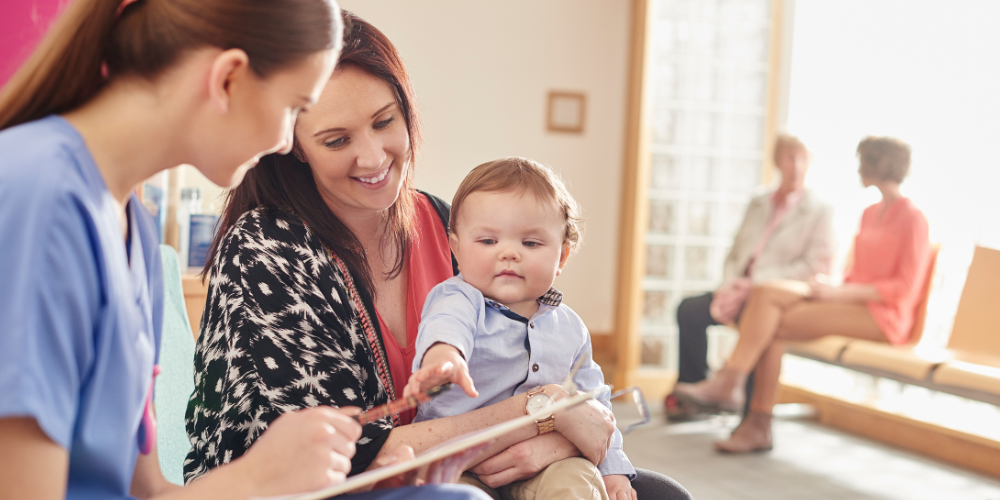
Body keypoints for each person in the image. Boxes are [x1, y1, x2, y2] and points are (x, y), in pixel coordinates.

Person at [184, 11, 691, 500]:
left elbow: (540, 368)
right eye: (337, 140)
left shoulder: (445, 223)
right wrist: (544, 411)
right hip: (323, 489)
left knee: (663, 495)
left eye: (385, 122)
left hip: (456, 465)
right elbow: (363, 457)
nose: (373, 157)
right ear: (293, 142)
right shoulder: (269, 251)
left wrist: (556, 437)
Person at [0, 0, 489, 499]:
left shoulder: (134, 233)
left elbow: (148, 493)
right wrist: (254, 478)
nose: (284, 144)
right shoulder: (41, 196)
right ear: (228, 79)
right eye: (293, 107)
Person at [673, 136, 930, 453]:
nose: (858, 167)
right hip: (851, 302)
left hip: (885, 318)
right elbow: (858, 271)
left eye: (862, 160)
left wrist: (841, 293)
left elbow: (905, 288)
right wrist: (832, 288)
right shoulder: (870, 213)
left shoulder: (913, 218)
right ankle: (749, 412)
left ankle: (743, 402)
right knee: (769, 302)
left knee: (774, 323)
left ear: (878, 165)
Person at [404, 157, 635, 500]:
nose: (509, 253)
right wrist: (444, 357)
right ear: (456, 248)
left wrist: (613, 470)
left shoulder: (570, 327)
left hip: (547, 461)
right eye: (487, 241)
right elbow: (447, 325)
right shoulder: (459, 297)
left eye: (530, 243)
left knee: (576, 483)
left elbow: (595, 402)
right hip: (460, 464)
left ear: (562, 257)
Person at [665, 134, 835, 420]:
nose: (796, 165)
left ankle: (747, 412)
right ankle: (694, 393)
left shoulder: (820, 211)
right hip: (738, 289)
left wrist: (754, 285)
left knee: (760, 324)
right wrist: (730, 285)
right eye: (790, 157)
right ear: (777, 161)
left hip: (773, 296)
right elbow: (736, 251)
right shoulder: (759, 202)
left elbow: (815, 266)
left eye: (803, 158)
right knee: (689, 310)